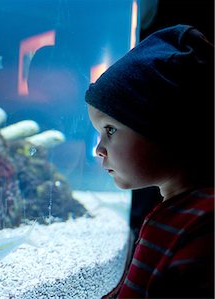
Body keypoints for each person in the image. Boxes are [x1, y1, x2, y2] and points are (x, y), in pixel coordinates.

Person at [85, 24, 214, 298]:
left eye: (110, 130)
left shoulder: (204, 225)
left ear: (168, 127)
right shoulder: (175, 210)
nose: (99, 149)